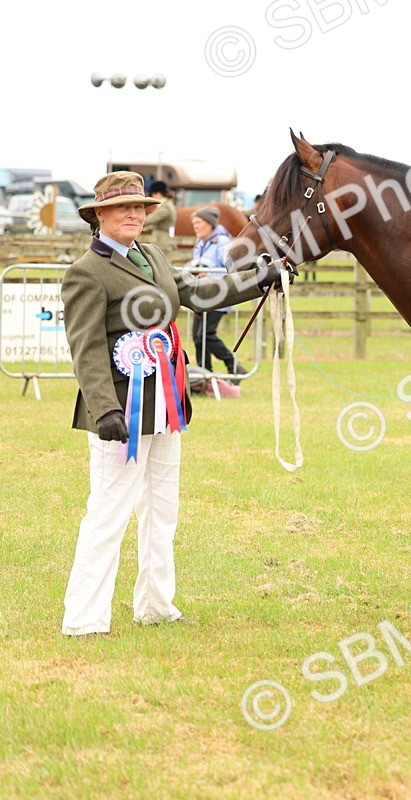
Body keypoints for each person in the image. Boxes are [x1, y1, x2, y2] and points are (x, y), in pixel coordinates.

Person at [60, 171, 290, 636]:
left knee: (162, 508)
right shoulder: (87, 271)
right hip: (119, 413)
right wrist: (104, 408)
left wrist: (260, 278)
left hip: (167, 404)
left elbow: (201, 293)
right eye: (123, 207)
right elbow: (84, 346)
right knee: (109, 512)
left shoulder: (155, 257)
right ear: (99, 214)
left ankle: (155, 604)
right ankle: (84, 618)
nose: (133, 214)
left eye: (140, 208)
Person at [189, 206, 244, 378]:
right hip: (202, 296)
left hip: (218, 296)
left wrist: (208, 275)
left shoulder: (222, 242)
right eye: (194, 223)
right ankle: (204, 375)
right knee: (198, 337)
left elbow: (231, 268)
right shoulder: (200, 243)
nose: (195, 227)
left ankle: (233, 365)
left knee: (206, 334)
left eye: (198, 223)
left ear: (209, 224)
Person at [143, 180, 176, 252]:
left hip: (162, 241)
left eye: (152, 195)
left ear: (157, 193)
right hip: (161, 240)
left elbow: (151, 219)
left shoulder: (166, 207)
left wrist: (138, 221)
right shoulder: (166, 204)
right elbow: (158, 224)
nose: (152, 197)